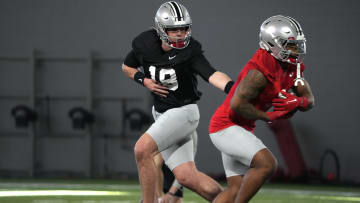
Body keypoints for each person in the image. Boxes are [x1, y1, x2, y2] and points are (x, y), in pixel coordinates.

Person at [122, 2, 234, 202]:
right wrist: (144, 80)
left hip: (183, 112)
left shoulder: (190, 50)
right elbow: (127, 67)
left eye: (184, 28)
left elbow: (212, 74)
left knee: (142, 149)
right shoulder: (145, 44)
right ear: (160, 30)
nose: (180, 34)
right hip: (163, 114)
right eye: (174, 30)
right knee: (187, 177)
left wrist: (233, 88)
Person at [209, 15, 315, 203]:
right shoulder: (258, 73)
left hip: (240, 127)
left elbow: (309, 99)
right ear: (271, 44)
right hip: (225, 126)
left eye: (297, 44)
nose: (296, 50)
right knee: (267, 164)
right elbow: (237, 104)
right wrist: (267, 116)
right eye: (290, 45)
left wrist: (299, 103)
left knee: (235, 190)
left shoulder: (292, 67)